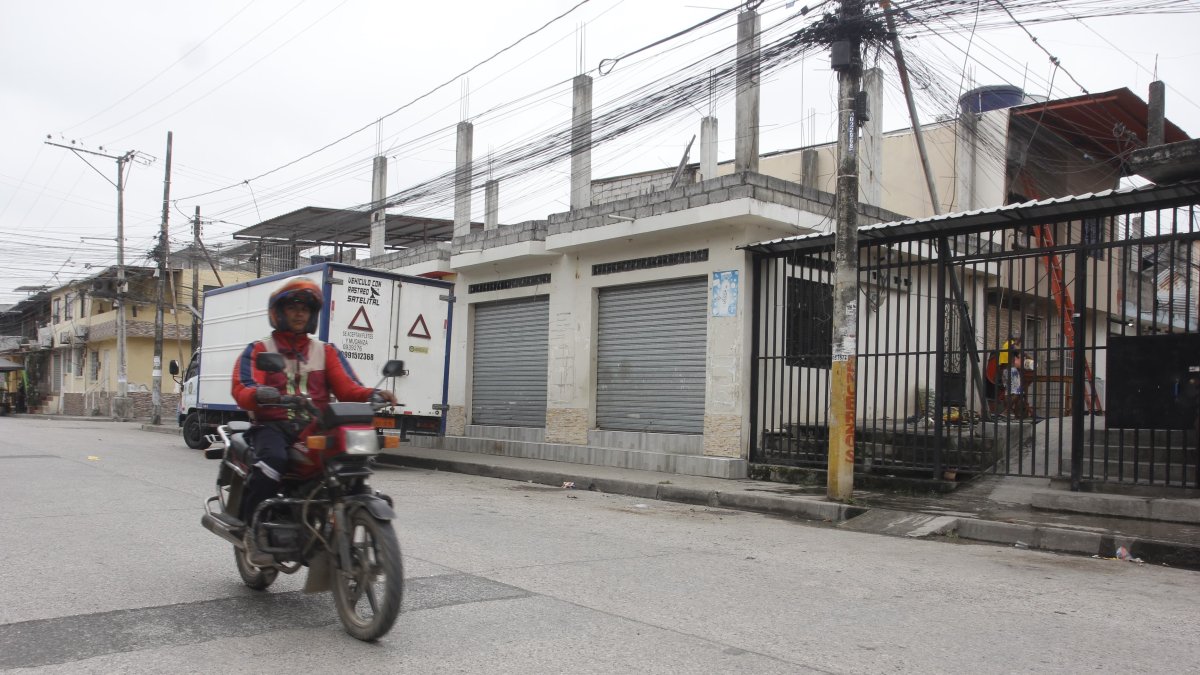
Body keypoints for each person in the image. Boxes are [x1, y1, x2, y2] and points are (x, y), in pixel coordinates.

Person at [231, 278, 396, 551]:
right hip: (273, 426)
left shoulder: (325, 351)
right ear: (278, 312)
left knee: (346, 462)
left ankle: (339, 514)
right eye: (293, 307)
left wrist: (372, 395)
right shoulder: (260, 349)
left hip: (314, 427)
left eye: (305, 309)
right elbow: (243, 387)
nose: (299, 313)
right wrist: (260, 394)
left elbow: (348, 388)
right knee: (273, 461)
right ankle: (251, 531)